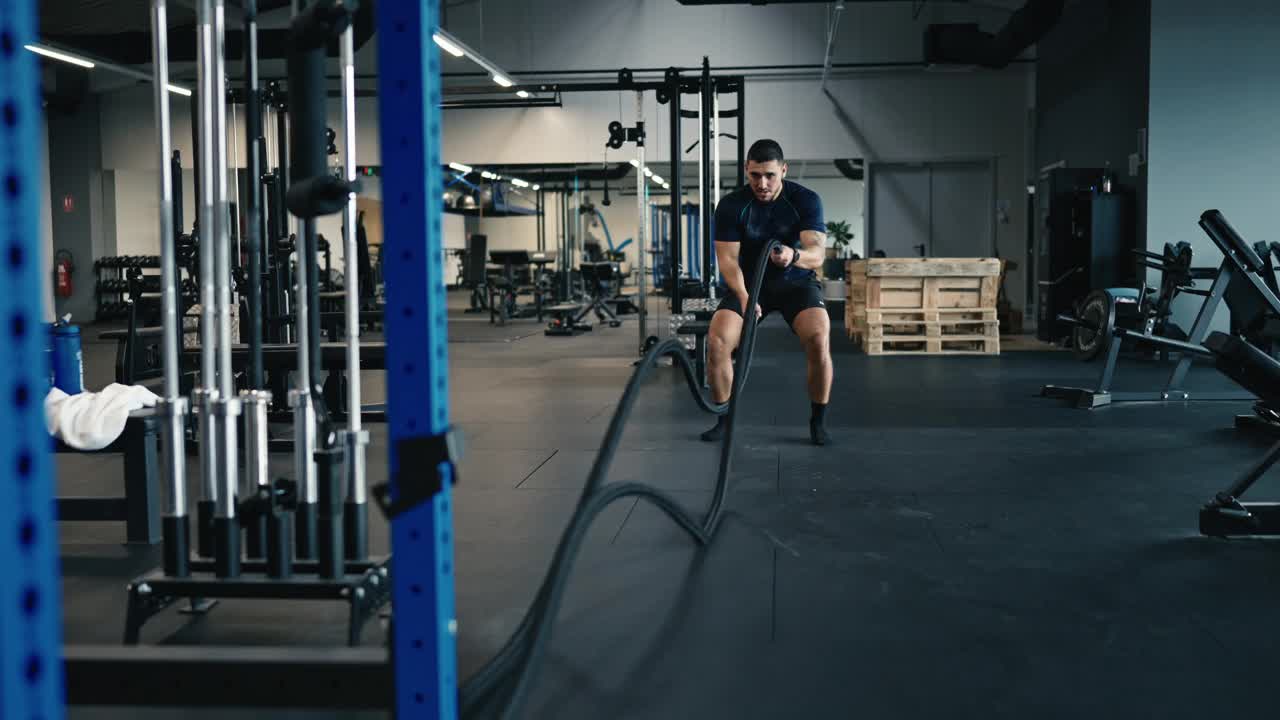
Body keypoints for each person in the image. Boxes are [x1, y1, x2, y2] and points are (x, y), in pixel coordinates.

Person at [700, 139, 834, 446]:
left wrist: (793, 256)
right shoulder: (732, 205)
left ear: (783, 170)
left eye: (770, 175)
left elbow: (817, 253)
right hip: (748, 285)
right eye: (755, 175)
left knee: (818, 338)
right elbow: (728, 261)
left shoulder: (805, 199)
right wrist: (746, 297)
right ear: (746, 169)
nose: (762, 183)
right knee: (718, 342)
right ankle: (724, 419)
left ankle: (818, 420)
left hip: (796, 283)